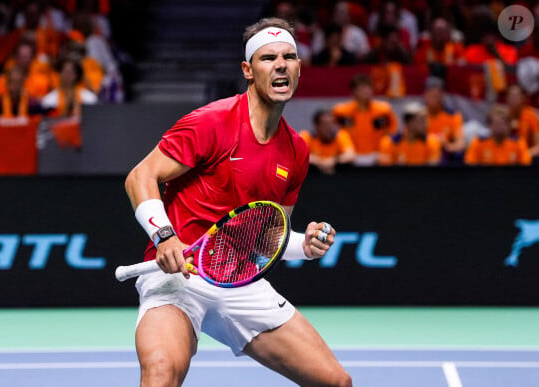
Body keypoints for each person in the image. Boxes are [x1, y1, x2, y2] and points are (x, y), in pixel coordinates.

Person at [124, 17, 352, 387]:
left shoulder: (296, 151)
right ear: (248, 70)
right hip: (179, 276)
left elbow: (266, 239)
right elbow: (140, 177)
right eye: (268, 58)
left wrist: (305, 246)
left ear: (298, 69)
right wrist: (163, 236)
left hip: (240, 281)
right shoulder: (210, 123)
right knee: (162, 372)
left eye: (289, 57)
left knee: (335, 381)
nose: (281, 64)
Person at [332, 73, 398, 166]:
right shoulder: (341, 111)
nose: (364, 92)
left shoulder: (384, 110)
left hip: (377, 155)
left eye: (367, 88)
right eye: (360, 89)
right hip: (351, 156)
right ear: (353, 91)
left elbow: (392, 132)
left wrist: (385, 150)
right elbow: (334, 132)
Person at [465, 104, 532, 166]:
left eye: (502, 124)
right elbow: (470, 165)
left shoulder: (518, 143)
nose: (499, 127)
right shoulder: (479, 142)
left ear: (509, 125)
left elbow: (526, 165)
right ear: (489, 125)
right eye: (496, 124)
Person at [379, 102, 442, 166]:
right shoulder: (389, 143)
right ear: (409, 123)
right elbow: (386, 172)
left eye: (427, 119)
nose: (426, 124)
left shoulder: (432, 142)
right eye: (422, 120)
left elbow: (432, 171)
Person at [300, 109, 355, 174]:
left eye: (332, 123)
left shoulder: (341, 135)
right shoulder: (306, 136)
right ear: (317, 126)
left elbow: (350, 155)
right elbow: (298, 155)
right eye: (325, 124)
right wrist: (319, 161)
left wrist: (333, 160)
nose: (329, 127)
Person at [423, 77, 465, 158]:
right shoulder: (419, 116)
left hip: (444, 158)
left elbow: (460, 144)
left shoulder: (453, 116)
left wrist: (446, 146)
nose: (435, 99)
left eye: (437, 95)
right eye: (432, 95)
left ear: (443, 95)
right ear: (425, 95)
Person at [505, 83, 539, 160]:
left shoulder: (530, 116)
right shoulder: (502, 115)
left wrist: (523, 155)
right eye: (511, 96)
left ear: (523, 98)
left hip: (526, 159)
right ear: (506, 98)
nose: (514, 99)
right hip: (505, 157)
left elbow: (538, 146)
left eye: (516, 96)